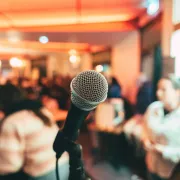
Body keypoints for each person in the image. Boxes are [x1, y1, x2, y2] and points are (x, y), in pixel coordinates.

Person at [0, 84, 69, 180]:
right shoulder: (40, 111)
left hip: (43, 173)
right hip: (64, 165)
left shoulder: (12, 121)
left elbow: (10, 166)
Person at [142, 75, 180, 180]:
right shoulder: (153, 107)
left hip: (172, 172)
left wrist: (164, 150)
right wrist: (145, 140)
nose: (158, 93)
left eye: (164, 89)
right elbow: (144, 128)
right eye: (158, 89)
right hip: (151, 165)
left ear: (177, 92)